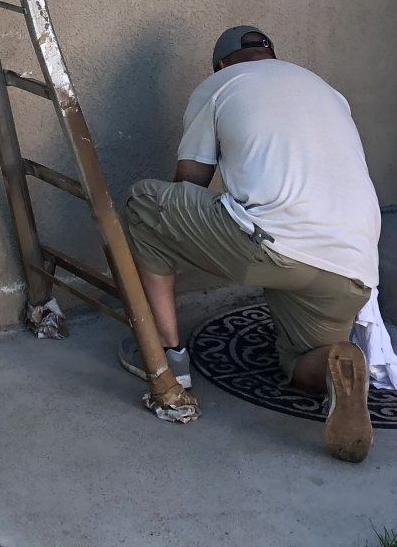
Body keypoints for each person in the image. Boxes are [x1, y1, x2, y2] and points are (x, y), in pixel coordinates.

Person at [117, 26, 383, 463]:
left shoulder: (219, 85)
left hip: (274, 248)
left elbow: (189, 183)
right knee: (300, 360)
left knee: (145, 204)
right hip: (354, 266)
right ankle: (338, 361)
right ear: (272, 57)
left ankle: (168, 356)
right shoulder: (324, 89)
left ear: (221, 65)